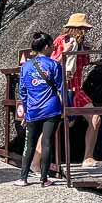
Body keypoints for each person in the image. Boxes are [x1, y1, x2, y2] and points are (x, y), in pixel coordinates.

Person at [14, 32, 65, 188]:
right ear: (46, 47)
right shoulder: (54, 65)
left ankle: (23, 178)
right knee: (47, 142)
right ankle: (44, 180)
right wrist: (65, 108)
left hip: (33, 110)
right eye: (51, 45)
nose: (53, 47)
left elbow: (22, 91)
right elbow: (61, 88)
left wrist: (27, 109)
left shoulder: (26, 66)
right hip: (51, 109)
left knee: (29, 144)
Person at [52, 13, 102, 167]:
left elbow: (84, 63)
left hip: (77, 89)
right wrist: (65, 51)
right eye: (82, 28)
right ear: (76, 28)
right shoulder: (61, 40)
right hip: (62, 88)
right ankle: (38, 159)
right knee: (55, 124)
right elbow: (51, 62)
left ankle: (88, 157)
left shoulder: (81, 44)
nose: (84, 31)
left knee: (96, 118)